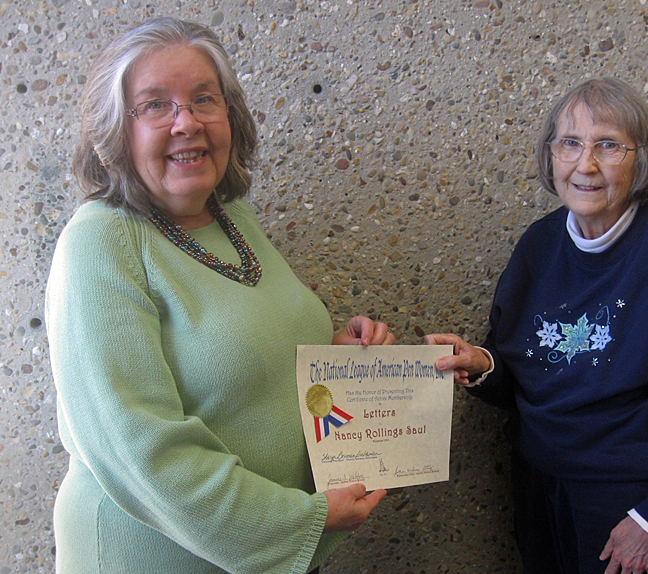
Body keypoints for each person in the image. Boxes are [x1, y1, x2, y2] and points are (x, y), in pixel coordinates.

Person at [45, 17, 390, 574]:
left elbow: (238, 361)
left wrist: (333, 352)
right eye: (155, 106)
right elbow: (140, 446)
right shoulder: (100, 242)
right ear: (115, 132)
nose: (187, 123)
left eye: (204, 99)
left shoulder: (233, 218)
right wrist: (299, 518)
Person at [426, 77, 648, 574]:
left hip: (641, 507)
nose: (586, 164)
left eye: (609, 145)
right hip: (542, 492)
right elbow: (528, 374)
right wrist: (484, 365)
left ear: (643, 159)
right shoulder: (539, 246)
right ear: (550, 154)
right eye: (570, 143)